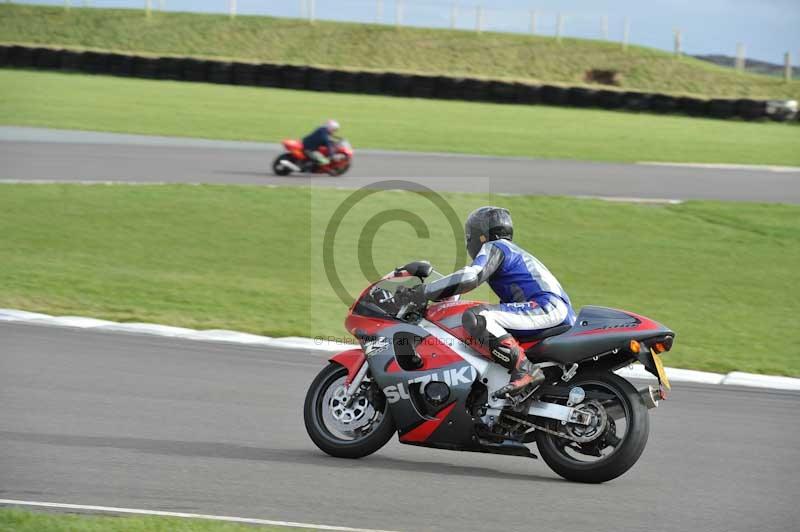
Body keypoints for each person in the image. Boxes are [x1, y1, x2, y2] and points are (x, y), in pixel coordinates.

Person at [405, 207, 576, 399]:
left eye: (469, 236)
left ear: (480, 236)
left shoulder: (495, 247)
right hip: (551, 310)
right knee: (490, 325)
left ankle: (525, 369)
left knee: (478, 316)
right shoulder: (512, 251)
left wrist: (425, 291)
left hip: (546, 308)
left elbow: (471, 276)